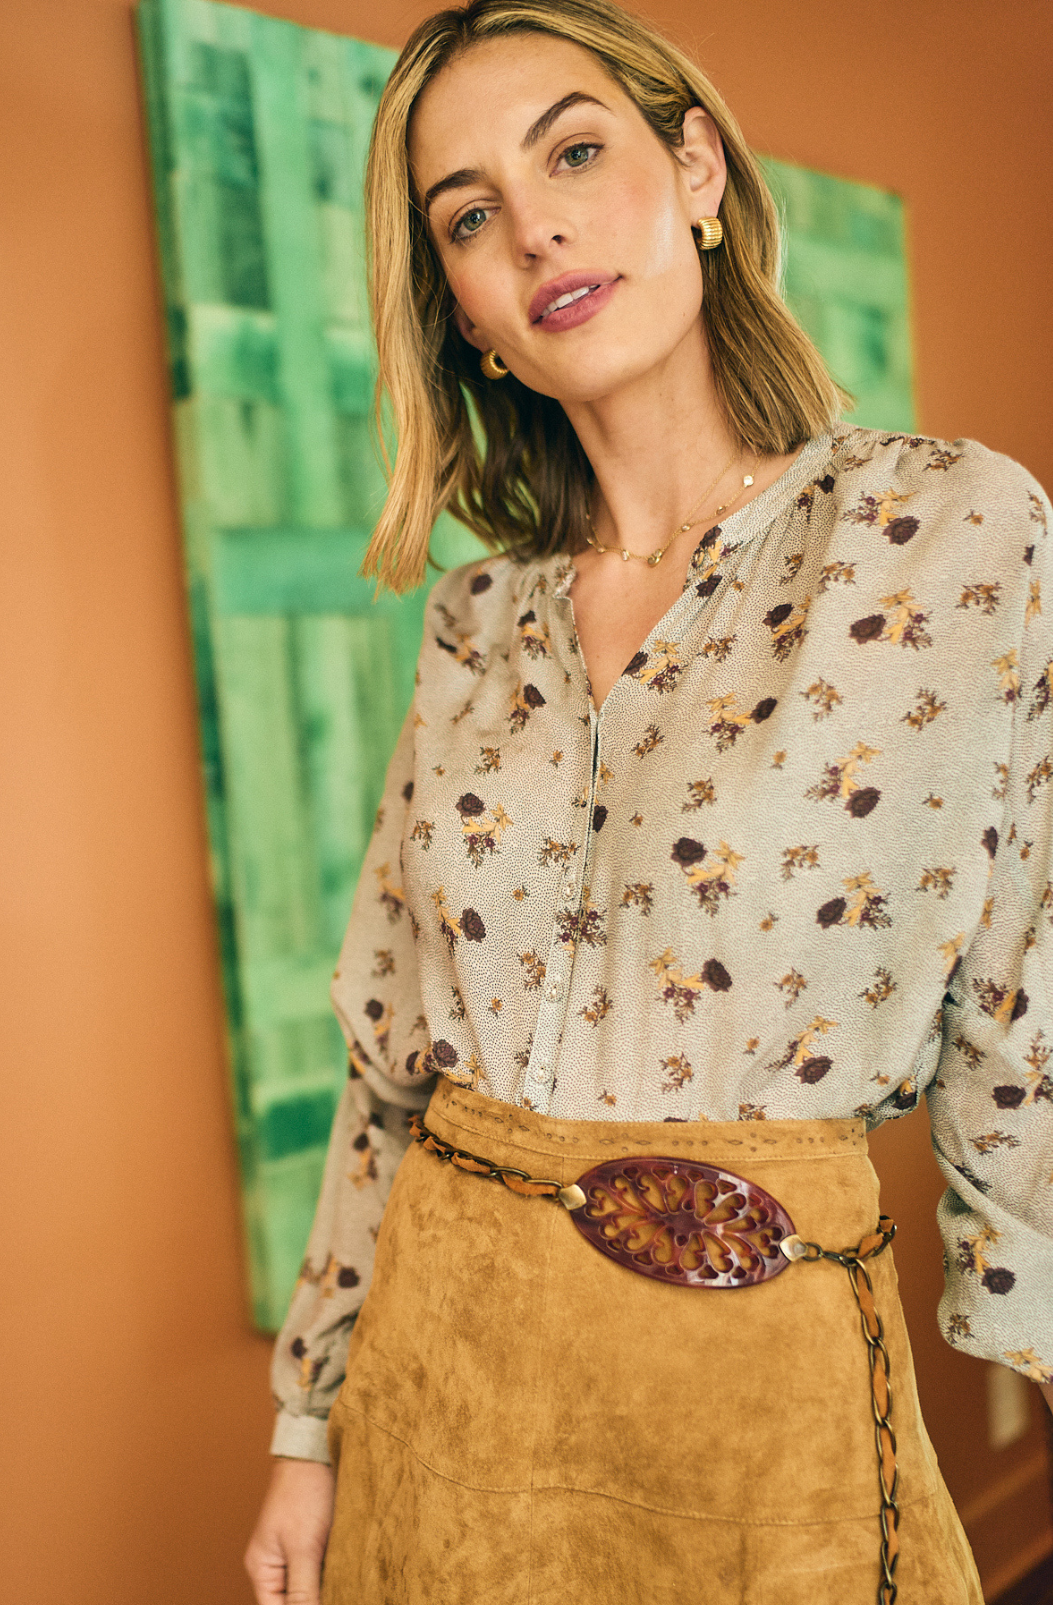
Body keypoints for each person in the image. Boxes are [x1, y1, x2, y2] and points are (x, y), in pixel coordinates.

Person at [245, 1, 1053, 1599]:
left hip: (751, 1400)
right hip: (442, 1376)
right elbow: (387, 1053)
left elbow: (1029, 1015)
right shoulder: (475, 626)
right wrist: (305, 1429)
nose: (530, 221)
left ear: (693, 169)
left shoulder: (939, 531)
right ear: (468, 310)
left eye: (575, 149)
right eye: (467, 213)